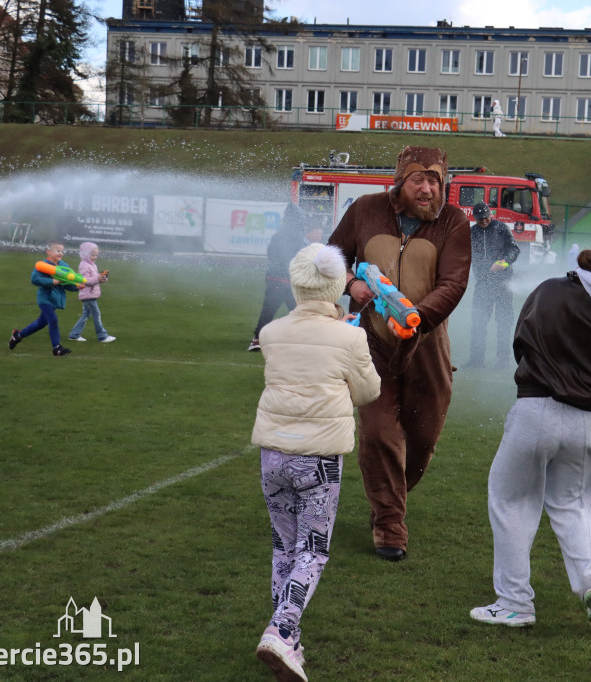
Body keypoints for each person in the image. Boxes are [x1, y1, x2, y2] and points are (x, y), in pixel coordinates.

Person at [470, 227, 591, 628]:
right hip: (584, 420)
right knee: (577, 505)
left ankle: (514, 602)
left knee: (513, 503)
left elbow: (519, 342)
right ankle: (590, 582)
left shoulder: (548, 290)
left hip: (533, 410)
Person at [328, 146, 471, 561]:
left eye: (434, 181)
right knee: (378, 435)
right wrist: (351, 282)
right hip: (369, 344)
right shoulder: (365, 210)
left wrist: (415, 317)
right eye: (417, 180)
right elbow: (333, 257)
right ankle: (389, 524)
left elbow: (454, 283)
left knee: (422, 440)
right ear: (400, 181)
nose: (427, 189)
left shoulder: (453, 221)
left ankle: (389, 498)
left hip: (427, 346)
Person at [252, 243, 381, 682]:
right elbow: (368, 393)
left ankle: (290, 642)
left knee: (283, 549)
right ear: (336, 285)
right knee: (312, 551)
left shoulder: (270, 331)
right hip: (319, 459)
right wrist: (345, 335)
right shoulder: (351, 335)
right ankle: (280, 630)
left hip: (272, 455)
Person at [248, 204, 323, 351]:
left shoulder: (279, 233)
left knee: (269, 309)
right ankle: (303, 339)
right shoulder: (297, 235)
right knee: (298, 310)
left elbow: (271, 253)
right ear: (297, 218)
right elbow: (300, 256)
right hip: (288, 280)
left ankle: (257, 339)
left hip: (274, 278)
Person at [466, 201, 521, 370]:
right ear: (475, 218)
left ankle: (503, 361)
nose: (484, 220)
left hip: (503, 283)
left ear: (491, 215)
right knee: (478, 321)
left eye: (486, 217)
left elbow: (514, 250)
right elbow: (465, 252)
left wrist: (504, 262)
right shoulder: (472, 232)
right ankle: (476, 360)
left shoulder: (501, 228)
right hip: (482, 284)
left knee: (504, 321)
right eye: (480, 218)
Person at [9, 242, 83, 357]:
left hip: (55, 300)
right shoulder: (43, 265)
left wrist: (77, 287)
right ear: (48, 251)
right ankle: (57, 348)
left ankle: (17, 335)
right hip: (45, 299)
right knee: (53, 320)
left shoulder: (64, 266)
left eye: (62, 251)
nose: (61, 253)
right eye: (57, 251)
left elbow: (67, 284)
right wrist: (51, 282)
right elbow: (34, 279)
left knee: (41, 323)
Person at [67, 241, 116, 344]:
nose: (95, 257)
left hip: (90, 294)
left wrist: (102, 277)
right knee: (96, 314)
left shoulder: (92, 264)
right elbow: (85, 281)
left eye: (96, 255)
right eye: (93, 255)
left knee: (86, 315)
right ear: (86, 254)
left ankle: (74, 334)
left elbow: (94, 278)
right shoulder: (84, 265)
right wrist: (98, 277)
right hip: (88, 295)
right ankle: (102, 336)